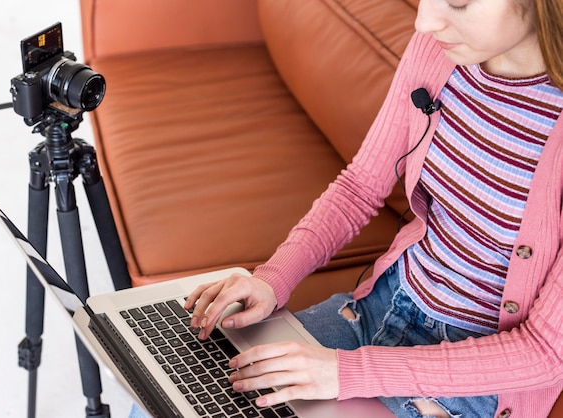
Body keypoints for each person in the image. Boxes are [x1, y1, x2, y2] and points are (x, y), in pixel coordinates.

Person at [130, 0, 563, 417]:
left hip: (481, 377)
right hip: (385, 305)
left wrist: (345, 373)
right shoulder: (438, 53)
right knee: (171, 394)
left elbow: (545, 351)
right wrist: (272, 278)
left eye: (460, 2)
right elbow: (359, 187)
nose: (424, 22)